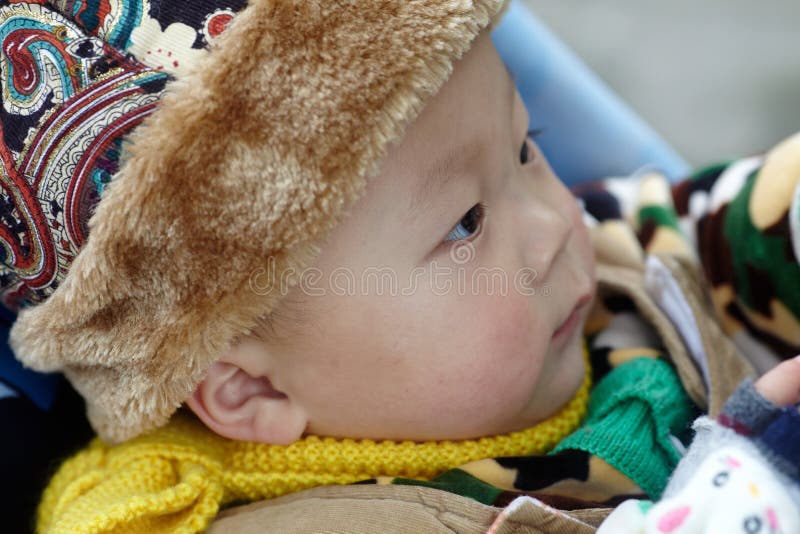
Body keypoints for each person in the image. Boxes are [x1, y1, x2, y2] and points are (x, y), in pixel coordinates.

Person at [2, 0, 798, 532]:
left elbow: (698, 233)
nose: (556, 224)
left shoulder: (597, 280)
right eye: (466, 222)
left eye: (526, 148)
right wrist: (747, 495)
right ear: (252, 387)